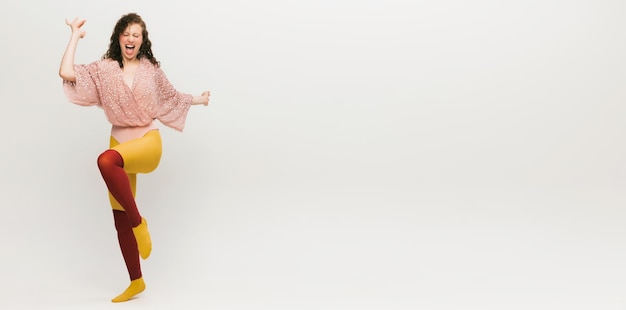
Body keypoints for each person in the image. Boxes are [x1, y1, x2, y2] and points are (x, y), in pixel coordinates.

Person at [59, 13, 210, 302]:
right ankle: (136, 281)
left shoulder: (151, 69)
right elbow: (66, 73)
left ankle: (139, 222)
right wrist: (75, 36)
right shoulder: (103, 69)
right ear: (119, 37)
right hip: (119, 140)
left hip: (146, 143)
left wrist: (199, 100)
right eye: (126, 33)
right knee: (118, 218)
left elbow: (172, 96)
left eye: (136, 34)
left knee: (106, 161)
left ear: (143, 41)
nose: (131, 38)